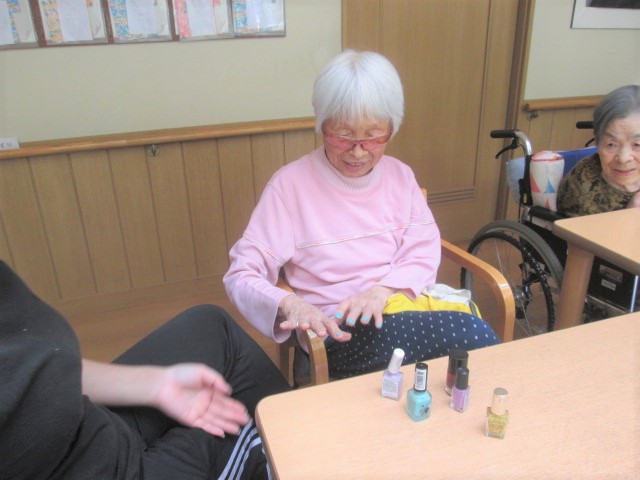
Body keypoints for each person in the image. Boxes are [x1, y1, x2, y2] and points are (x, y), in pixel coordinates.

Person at [224, 50, 499, 380]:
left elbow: (422, 251)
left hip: (401, 308)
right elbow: (242, 273)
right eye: (342, 136)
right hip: (337, 330)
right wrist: (292, 304)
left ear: (392, 128)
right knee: (471, 335)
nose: (357, 151)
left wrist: (381, 292)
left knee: (464, 355)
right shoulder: (289, 186)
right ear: (320, 123)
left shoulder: (400, 177)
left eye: (373, 136)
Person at [0, 260, 289, 479]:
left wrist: (156, 384)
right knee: (236, 432)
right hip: (85, 465)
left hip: (80, 420)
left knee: (210, 327)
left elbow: (39, 368)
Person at [557, 85, 640, 217]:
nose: (623, 158)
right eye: (611, 145)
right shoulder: (584, 186)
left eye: (637, 144)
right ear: (597, 141)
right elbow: (578, 231)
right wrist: (629, 214)